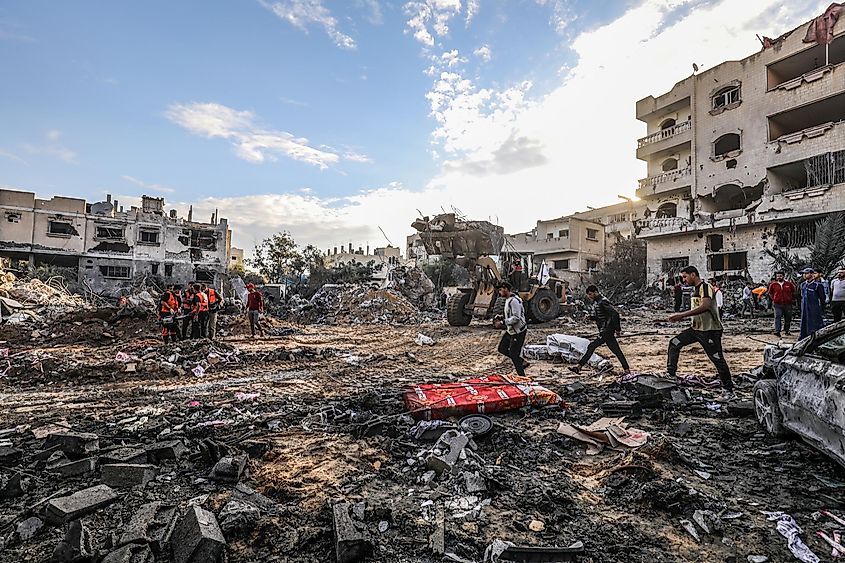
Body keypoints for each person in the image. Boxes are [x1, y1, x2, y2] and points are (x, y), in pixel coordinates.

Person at [666, 266, 735, 402]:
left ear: (693, 274)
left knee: (717, 359)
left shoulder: (705, 286)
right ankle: (671, 375)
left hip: (710, 331)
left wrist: (682, 315)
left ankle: (729, 391)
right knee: (674, 343)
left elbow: (706, 306)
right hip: (696, 329)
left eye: (685, 277)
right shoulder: (695, 290)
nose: (683, 280)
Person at [569, 285, 630, 376]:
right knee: (616, 350)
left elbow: (615, 314)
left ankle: (579, 367)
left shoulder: (602, 302)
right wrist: (591, 317)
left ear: (595, 292)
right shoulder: (599, 302)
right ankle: (627, 370)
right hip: (606, 331)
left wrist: (618, 329)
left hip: (606, 331)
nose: (589, 297)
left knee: (591, 346)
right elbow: (601, 317)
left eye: (590, 294)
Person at [494, 282, 528, 376]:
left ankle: (522, 377)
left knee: (514, 354)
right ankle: (522, 361)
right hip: (511, 330)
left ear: (505, 289)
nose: (499, 292)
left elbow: (516, 318)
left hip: (518, 332)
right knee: (502, 348)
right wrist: (502, 317)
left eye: (500, 290)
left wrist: (502, 322)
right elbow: (511, 314)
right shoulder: (508, 299)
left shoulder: (514, 301)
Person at [800, 267, 826, 338]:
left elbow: (822, 298)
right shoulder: (802, 285)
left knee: (814, 322)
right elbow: (801, 296)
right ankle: (803, 336)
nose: (804, 275)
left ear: (811, 274)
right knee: (804, 321)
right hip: (804, 306)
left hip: (814, 307)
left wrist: (822, 308)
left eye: (806, 273)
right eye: (803, 274)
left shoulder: (817, 285)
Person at [769, 271, 796, 337]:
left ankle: (787, 330)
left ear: (783, 276)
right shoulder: (773, 285)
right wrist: (774, 299)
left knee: (788, 317)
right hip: (777, 304)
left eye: (780, 276)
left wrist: (790, 299)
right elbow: (770, 293)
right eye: (777, 276)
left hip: (787, 304)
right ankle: (777, 331)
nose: (779, 277)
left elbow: (794, 292)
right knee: (777, 316)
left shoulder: (789, 284)